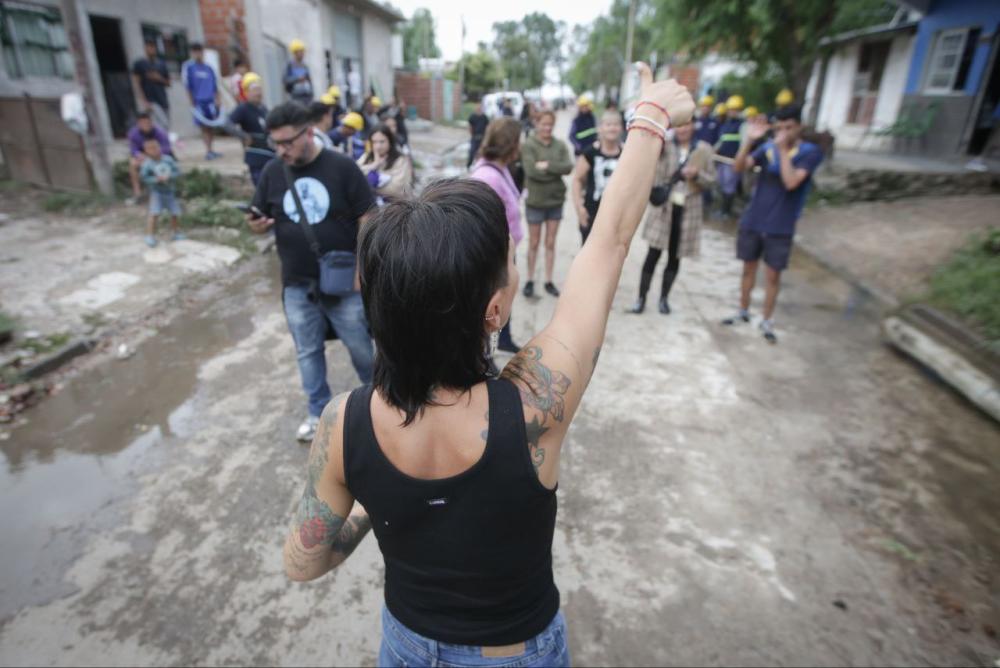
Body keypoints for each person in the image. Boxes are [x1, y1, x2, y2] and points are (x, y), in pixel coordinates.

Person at [279, 63, 694, 667]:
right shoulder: (533, 405)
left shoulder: (345, 424)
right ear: (494, 309)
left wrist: (368, 504)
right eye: (508, 260)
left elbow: (302, 561)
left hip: (406, 648)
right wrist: (649, 118)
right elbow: (607, 246)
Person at [245, 102, 376, 441]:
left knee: (360, 345)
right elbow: (259, 219)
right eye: (276, 143)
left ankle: (380, 405)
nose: (281, 150)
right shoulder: (274, 171)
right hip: (297, 284)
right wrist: (257, 226)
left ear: (308, 132)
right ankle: (318, 411)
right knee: (307, 351)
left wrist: (362, 270)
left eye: (287, 142)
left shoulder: (342, 167)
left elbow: (368, 217)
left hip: (345, 281)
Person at [721, 105, 824, 343]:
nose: (784, 132)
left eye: (790, 127)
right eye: (781, 127)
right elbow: (738, 167)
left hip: (781, 224)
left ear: (799, 126)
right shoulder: (766, 148)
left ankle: (766, 319)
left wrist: (782, 149)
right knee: (748, 268)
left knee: (772, 275)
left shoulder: (810, 152)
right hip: (755, 218)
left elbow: (791, 183)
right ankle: (743, 311)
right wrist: (749, 141)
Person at [628, 119, 714, 314]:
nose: (683, 129)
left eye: (687, 125)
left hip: (688, 211)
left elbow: (711, 180)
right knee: (653, 254)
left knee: (675, 258)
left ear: (693, 126)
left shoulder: (703, 150)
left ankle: (664, 299)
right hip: (664, 209)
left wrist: (697, 175)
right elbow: (651, 168)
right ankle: (641, 298)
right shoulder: (664, 146)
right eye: (680, 125)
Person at [471, 117, 525, 354]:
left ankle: (501, 341)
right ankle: (487, 353)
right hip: (495, 255)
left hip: (506, 250)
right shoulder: (488, 177)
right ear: (510, 144)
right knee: (493, 306)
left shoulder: (500, 169)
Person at [520, 110, 573, 298]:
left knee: (550, 243)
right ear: (537, 124)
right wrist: (553, 170)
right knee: (534, 242)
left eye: (550, 124)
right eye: (544, 124)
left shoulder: (559, 145)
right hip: (535, 201)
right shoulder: (529, 145)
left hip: (555, 200)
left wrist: (547, 165)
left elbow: (568, 167)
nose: (547, 128)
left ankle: (549, 281)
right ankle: (530, 279)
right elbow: (531, 172)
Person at [572, 110, 623, 245]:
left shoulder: (626, 154)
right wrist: (579, 207)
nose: (612, 128)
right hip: (591, 212)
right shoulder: (590, 152)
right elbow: (577, 179)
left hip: (616, 215)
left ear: (621, 128)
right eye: (608, 124)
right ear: (601, 128)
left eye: (616, 124)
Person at [228, 73, 274, 186]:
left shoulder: (263, 108)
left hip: (269, 155)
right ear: (246, 92)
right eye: (254, 90)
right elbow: (227, 124)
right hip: (256, 156)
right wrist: (243, 136)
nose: (258, 93)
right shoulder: (243, 108)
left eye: (259, 89)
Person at [139, 136, 183, 248]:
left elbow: (177, 172)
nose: (154, 150)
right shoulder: (147, 164)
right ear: (146, 151)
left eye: (156, 147)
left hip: (170, 192)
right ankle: (150, 235)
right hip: (157, 193)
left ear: (160, 147)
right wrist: (155, 180)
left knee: (174, 213)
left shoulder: (168, 159)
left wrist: (170, 177)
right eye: (150, 148)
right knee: (154, 214)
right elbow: (144, 178)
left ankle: (176, 232)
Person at [183, 43, 222, 160]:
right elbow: (188, 87)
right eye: (194, 51)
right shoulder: (189, 68)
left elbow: (215, 86)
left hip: (210, 102)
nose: (197, 54)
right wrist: (192, 103)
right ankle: (208, 151)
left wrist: (218, 100)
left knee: (211, 127)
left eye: (199, 51)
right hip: (199, 102)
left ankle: (212, 149)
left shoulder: (209, 68)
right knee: (203, 127)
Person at [357, 124, 412, 205]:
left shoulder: (400, 160)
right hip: (369, 207)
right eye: (374, 142)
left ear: (390, 141)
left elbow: (397, 189)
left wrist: (369, 184)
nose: (378, 146)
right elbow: (354, 174)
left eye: (382, 141)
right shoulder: (366, 157)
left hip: (395, 207)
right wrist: (373, 165)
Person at [126, 111, 173, 203]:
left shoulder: (160, 132)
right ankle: (137, 193)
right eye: (142, 123)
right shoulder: (133, 134)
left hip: (160, 157)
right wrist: (140, 155)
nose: (145, 125)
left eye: (147, 123)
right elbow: (133, 150)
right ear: (138, 124)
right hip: (143, 157)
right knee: (133, 164)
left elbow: (167, 148)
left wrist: (154, 154)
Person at [714, 95, 744, 219]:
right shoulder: (725, 125)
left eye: (735, 109)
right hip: (722, 160)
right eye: (731, 109)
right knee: (722, 184)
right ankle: (722, 209)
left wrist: (739, 159)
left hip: (732, 162)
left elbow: (744, 144)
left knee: (729, 186)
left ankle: (726, 211)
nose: (732, 112)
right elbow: (721, 141)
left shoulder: (742, 125)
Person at [132, 38, 171, 129]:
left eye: (153, 47)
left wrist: (159, 78)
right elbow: (136, 84)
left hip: (162, 100)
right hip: (150, 101)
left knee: (165, 126)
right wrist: (144, 101)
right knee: (159, 126)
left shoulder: (161, 64)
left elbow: (168, 83)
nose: (151, 49)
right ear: (145, 48)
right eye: (149, 46)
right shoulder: (139, 64)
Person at [284, 39, 313, 105]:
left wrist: (311, 94)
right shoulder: (290, 66)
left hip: (307, 98)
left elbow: (309, 81)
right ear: (295, 53)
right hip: (296, 98)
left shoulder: (305, 66)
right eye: (301, 51)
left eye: (303, 51)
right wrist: (297, 79)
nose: (303, 54)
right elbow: (285, 80)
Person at [467, 100, 489, 168]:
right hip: (475, 137)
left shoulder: (484, 117)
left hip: (482, 137)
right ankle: (468, 165)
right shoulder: (472, 116)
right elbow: (470, 127)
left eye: (480, 106)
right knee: (472, 152)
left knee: (481, 153)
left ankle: (480, 166)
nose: (479, 108)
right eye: (478, 106)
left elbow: (487, 127)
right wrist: (472, 135)